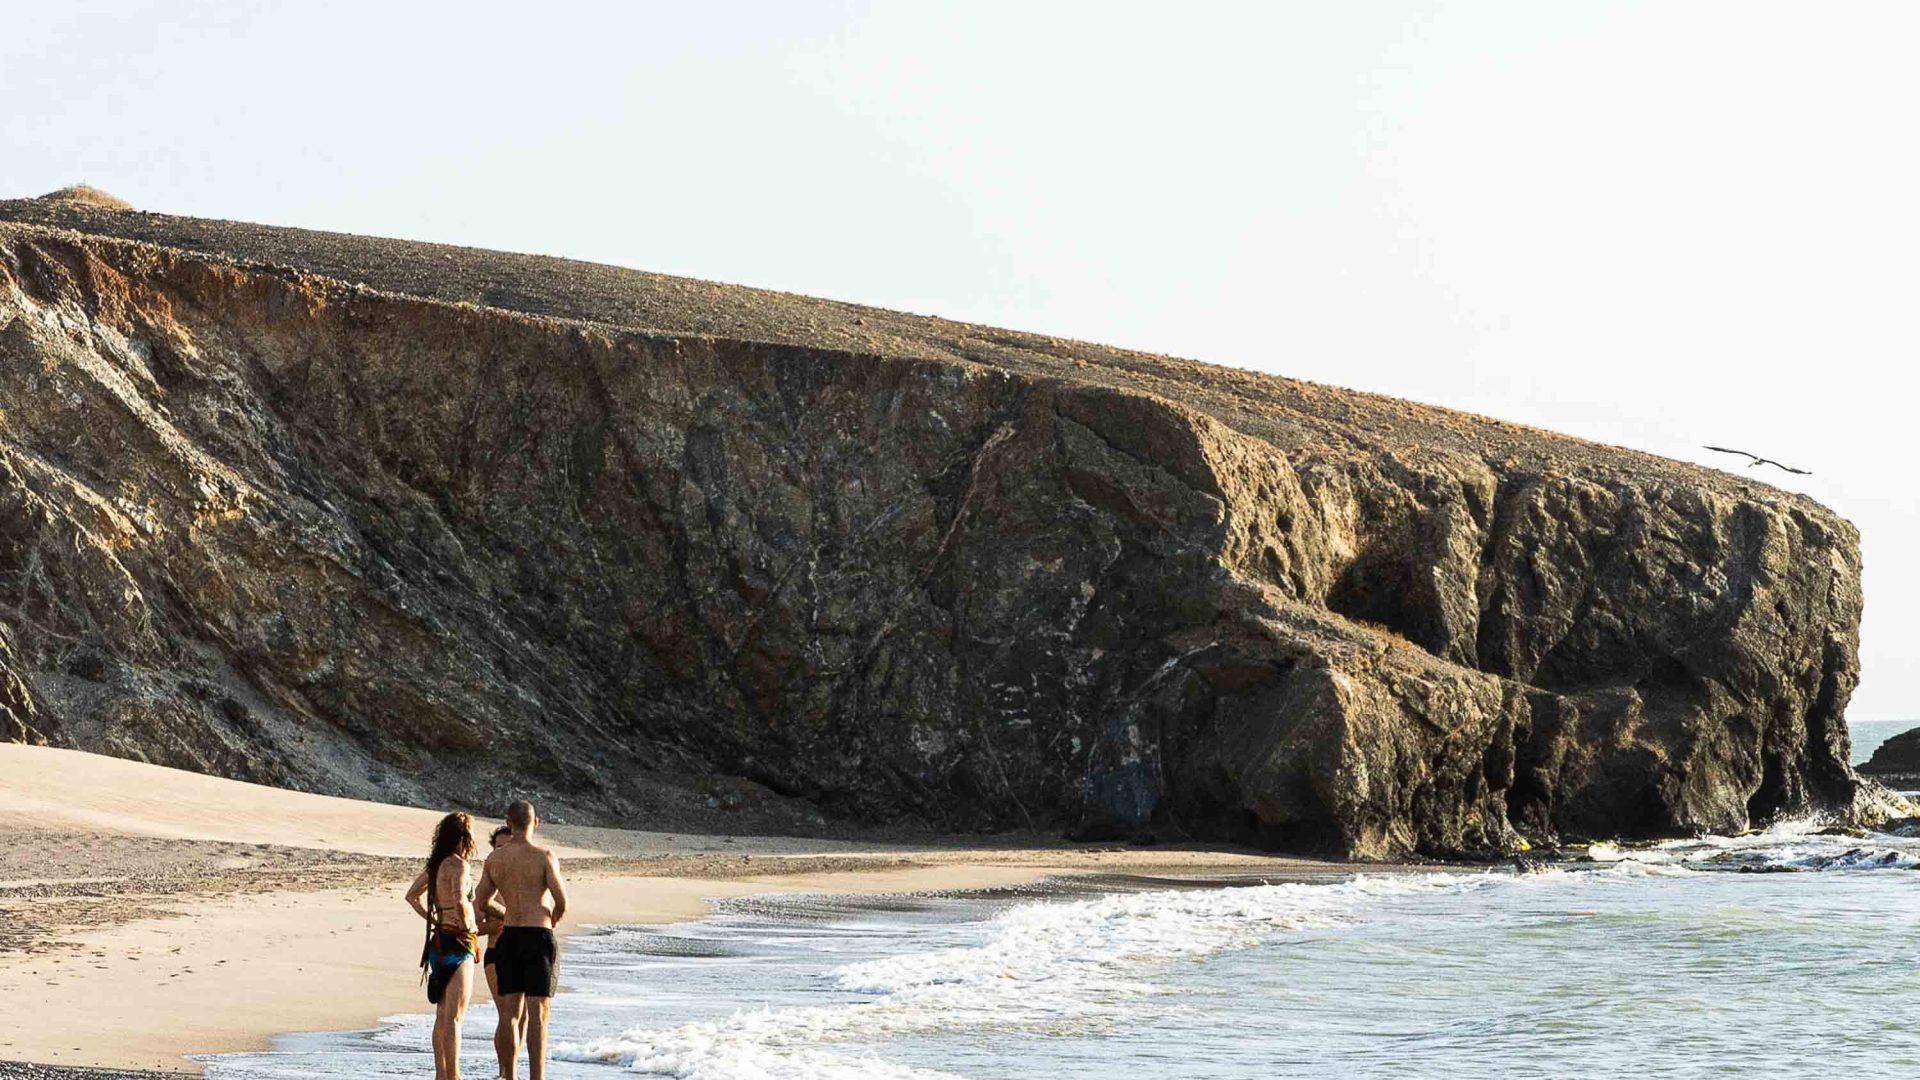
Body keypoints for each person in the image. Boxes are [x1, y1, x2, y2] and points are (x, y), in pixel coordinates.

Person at [474, 800, 569, 1080]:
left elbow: (482, 901)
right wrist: (551, 921)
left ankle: (509, 1075)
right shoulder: (544, 855)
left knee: (510, 1014)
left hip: (509, 936)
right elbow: (562, 901)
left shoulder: (495, 859)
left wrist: (507, 914)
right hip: (538, 934)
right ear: (536, 823)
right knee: (537, 1013)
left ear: (509, 823)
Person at [405, 812, 479, 1080]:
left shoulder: (435, 867)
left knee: (442, 1015)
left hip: (438, 942)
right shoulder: (459, 866)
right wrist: (471, 926)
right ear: (463, 838)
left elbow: (412, 896)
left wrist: (433, 917)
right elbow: (461, 898)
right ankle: (455, 1076)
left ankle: (441, 1074)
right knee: (456, 1017)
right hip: (459, 943)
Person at [475, 825, 527, 1064]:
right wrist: (495, 926)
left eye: (508, 847)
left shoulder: (526, 880)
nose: (504, 852)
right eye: (499, 847)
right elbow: (472, 927)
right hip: (497, 953)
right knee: (507, 1014)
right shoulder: (489, 884)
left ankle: (512, 1066)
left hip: (525, 952)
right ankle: (505, 1071)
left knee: (524, 1015)